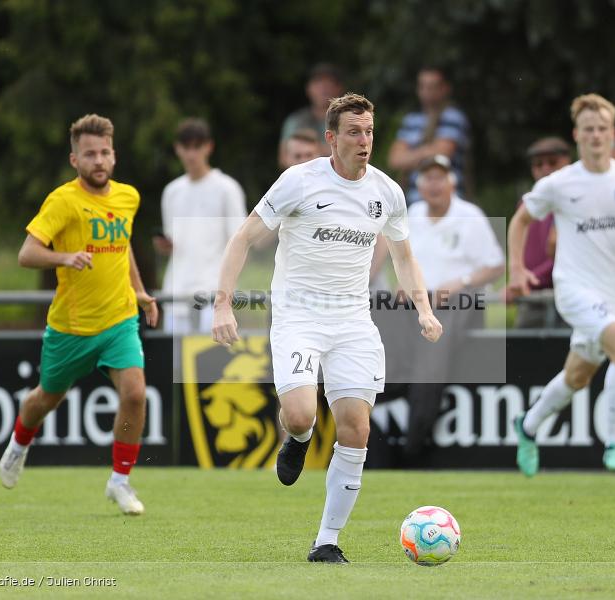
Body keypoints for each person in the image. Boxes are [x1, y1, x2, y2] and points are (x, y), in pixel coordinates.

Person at [212, 93, 443, 563]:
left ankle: (327, 541)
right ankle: (296, 439)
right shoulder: (298, 182)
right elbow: (243, 238)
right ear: (332, 138)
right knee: (301, 416)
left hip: (353, 321)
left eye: (370, 132)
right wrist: (223, 305)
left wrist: (424, 308)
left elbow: (403, 255)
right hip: (297, 316)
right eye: (355, 132)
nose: (365, 141)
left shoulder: (387, 192)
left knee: (356, 427)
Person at [0, 114, 159, 515]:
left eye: (104, 152)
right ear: (75, 160)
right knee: (44, 399)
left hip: (119, 320)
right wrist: (63, 257)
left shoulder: (128, 197)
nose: (98, 160)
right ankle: (19, 444)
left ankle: (119, 481)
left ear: (114, 156)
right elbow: (26, 254)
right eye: (89, 154)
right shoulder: (63, 201)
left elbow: (122, 251)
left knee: (136, 394)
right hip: (71, 327)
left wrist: (139, 292)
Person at [508, 94, 615, 476]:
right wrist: (516, 269)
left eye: (603, 129)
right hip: (573, 289)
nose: (596, 136)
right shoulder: (559, 183)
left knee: (577, 376)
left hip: (614, 294)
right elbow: (520, 221)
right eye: (589, 129)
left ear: (612, 134)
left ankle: (527, 426)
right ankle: (614, 441)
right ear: (577, 135)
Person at [400, 154, 504, 459]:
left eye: (439, 177)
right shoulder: (413, 213)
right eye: (427, 178)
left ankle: (413, 449)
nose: (433, 185)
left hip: (460, 305)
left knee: (431, 359)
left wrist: (462, 281)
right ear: (419, 185)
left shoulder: (470, 216)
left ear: (452, 182)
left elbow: (496, 266)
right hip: (419, 305)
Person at [154, 118, 246, 335]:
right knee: (176, 367)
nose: (191, 154)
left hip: (213, 295)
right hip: (177, 292)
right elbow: (174, 243)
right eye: (186, 147)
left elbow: (240, 243)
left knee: (209, 365)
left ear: (209, 147)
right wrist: (165, 246)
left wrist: (228, 294)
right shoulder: (172, 192)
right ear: (178, 149)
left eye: (197, 147)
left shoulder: (227, 189)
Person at [513, 137, 572, 328]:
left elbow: (563, 256)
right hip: (532, 298)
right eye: (538, 164)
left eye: (552, 162)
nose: (545, 168)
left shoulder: (575, 200)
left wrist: (530, 279)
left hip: (569, 297)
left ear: (567, 162)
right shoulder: (526, 205)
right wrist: (519, 275)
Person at [388, 66, 470, 205]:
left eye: (432, 86)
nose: (427, 92)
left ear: (445, 88)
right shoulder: (410, 120)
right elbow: (395, 160)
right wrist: (428, 151)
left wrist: (410, 155)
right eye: (423, 86)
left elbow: (442, 153)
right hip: (413, 202)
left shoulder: (453, 117)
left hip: (449, 202)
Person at [278, 63, 344, 168]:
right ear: (308, 89)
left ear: (339, 88)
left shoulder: (349, 120)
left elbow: (361, 153)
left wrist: (309, 149)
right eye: (318, 82)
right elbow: (284, 158)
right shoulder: (295, 120)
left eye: (329, 82)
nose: (324, 87)